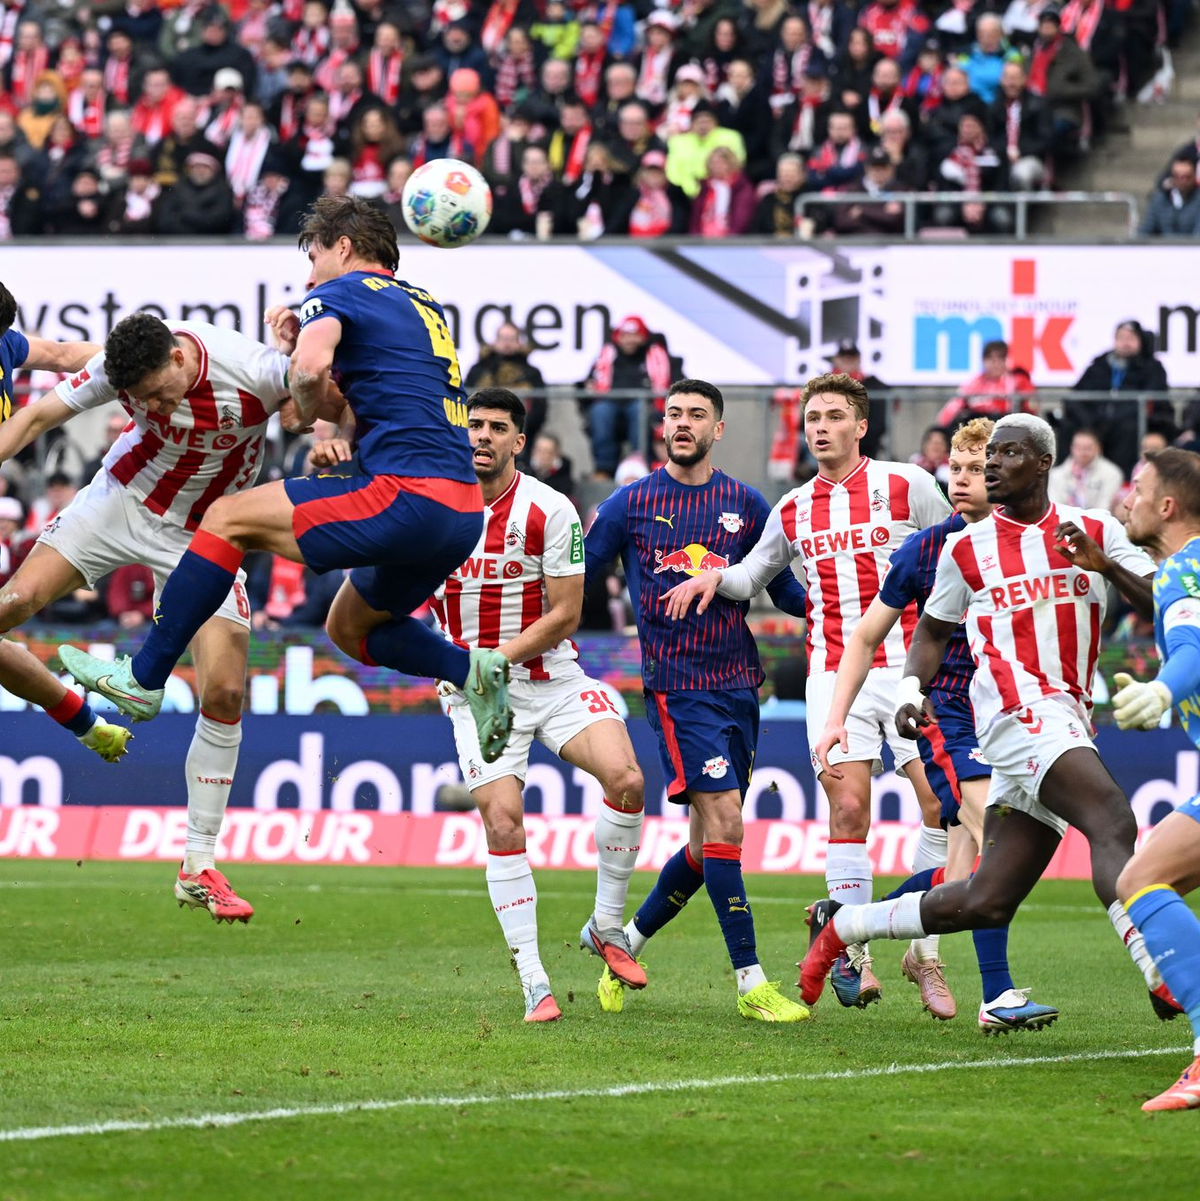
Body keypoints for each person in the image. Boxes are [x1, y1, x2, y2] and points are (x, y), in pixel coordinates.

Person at [59, 196, 513, 768]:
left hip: (407, 495)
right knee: (350, 627)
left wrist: (299, 388)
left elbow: (306, 374)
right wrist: (315, 386)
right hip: (462, 512)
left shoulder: (337, 291)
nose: (309, 274)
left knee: (225, 518)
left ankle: (143, 677)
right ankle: (470, 671)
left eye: (316, 257)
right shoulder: (424, 307)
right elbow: (371, 394)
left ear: (343, 248)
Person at [798, 415, 1177, 1024]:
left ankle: (845, 925)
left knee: (985, 899)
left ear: (1043, 463)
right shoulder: (963, 548)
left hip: (1068, 715)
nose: (994, 464)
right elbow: (930, 631)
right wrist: (910, 690)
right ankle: (1161, 969)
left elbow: (1165, 602)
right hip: (1012, 712)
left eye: (1008, 453)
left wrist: (1105, 567)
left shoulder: (1098, 529)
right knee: (1110, 818)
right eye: (986, 455)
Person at [0, 311, 308, 922]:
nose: (151, 406)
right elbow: (37, 415)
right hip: (118, 503)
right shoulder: (121, 372)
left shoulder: (248, 369)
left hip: (208, 534)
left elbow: (309, 401)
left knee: (223, 690)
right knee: (11, 606)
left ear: (177, 359)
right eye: (136, 400)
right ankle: (82, 719)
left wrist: (311, 408)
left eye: (157, 394)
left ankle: (199, 865)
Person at [663, 372, 952, 1008]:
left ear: (860, 425)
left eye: (832, 416)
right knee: (849, 810)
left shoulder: (907, 485)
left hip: (910, 670)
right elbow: (753, 576)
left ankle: (922, 948)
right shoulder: (791, 508)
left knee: (942, 811)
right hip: (833, 676)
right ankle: (853, 954)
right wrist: (712, 577)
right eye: (812, 417)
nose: (820, 427)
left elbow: (960, 551)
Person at [813, 418, 1060, 1030]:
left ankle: (843, 923)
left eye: (979, 468)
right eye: (958, 468)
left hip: (1007, 714)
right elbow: (866, 636)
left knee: (962, 868)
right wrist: (836, 718)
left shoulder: (1031, 544)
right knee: (998, 848)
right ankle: (997, 996)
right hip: (945, 715)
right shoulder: (926, 549)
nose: (966, 480)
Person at [585, 379, 809, 1022]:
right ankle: (752, 984)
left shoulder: (746, 503)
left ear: (718, 430)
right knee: (730, 824)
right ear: (663, 426)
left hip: (739, 684)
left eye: (696, 416)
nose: (682, 424)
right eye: (673, 414)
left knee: (704, 845)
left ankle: (622, 943)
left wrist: (840, 613)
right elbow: (577, 578)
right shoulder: (629, 504)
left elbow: (783, 591)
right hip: (678, 687)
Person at [429, 388, 645, 1022]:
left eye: (497, 428)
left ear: (518, 442)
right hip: (475, 694)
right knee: (502, 824)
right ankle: (533, 981)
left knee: (628, 780)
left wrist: (500, 656)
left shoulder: (551, 510)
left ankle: (606, 925)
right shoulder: (433, 508)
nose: (482, 437)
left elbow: (568, 612)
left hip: (550, 678)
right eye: (475, 426)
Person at [0, 281, 127, 764]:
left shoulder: (5, 341)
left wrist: (147, 359)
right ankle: (90, 727)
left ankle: (89, 727)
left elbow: (61, 352)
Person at [1111, 449, 1200, 1109]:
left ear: (1166, 507)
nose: (1129, 498)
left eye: (1138, 489)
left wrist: (1163, 691)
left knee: (1140, 879)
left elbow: (1195, 647)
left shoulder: (1181, 569)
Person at [1064, 320, 1170, 478]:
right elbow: (1075, 396)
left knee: (1128, 429)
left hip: (1129, 423)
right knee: (1069, 427)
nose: (1125, 343)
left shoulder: (1151, 367)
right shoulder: (1099, 365)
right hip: (1096, 422)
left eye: (1131, 338)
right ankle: (1067, 480)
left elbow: (1153, 402)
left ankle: (1125, 480)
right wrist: (1088, 421)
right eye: (1121, 338)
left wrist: (1115, 417)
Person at [582, 315, 679, 478]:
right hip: (610, 405)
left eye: (635, 335)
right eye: (626, 336)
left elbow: (674, 384)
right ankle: (604, 468)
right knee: (600, 411)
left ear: (643, 337)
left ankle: (640, 464)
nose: (630, 340)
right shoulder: (607, 355)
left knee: (639, 410)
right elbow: (590, 382)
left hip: (646, 407)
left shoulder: (658, 355)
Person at [464, 321, 547, 450]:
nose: (506, 343)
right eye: (503, 338)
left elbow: (539, 407)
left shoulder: (531, 373)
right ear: (495, 341)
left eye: (511, 339)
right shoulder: (478, 370)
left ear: (519, 342)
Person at [935, 338, 1036, 428]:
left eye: (1000, 358)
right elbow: (952, 408)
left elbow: (1032, 408)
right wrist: (941, 429)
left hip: (1005, 427)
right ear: (983, 360)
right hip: (977, 428)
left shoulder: (1017, 380)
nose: (995, 363)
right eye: (991, 359)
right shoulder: (974, 383)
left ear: (1006, 360)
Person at [1048, 429, 1125, 511]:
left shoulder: (1112, 473)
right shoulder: (1056, 475)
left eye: (1088, 448)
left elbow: (1104, 509)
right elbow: (1056, 508)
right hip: (1064, 522)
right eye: (1078, 447)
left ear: (1098, 448)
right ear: (1071, 448)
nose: (1083, 452)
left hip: (1099, 522)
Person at [1140, 157, 1200, 238]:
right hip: (1163, 248)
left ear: (1194, 177)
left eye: (1187, 177)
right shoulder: (1159, 199)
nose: (1183, 181)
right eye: (1178, 177)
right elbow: (1146, 230)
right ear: (1172, 177)